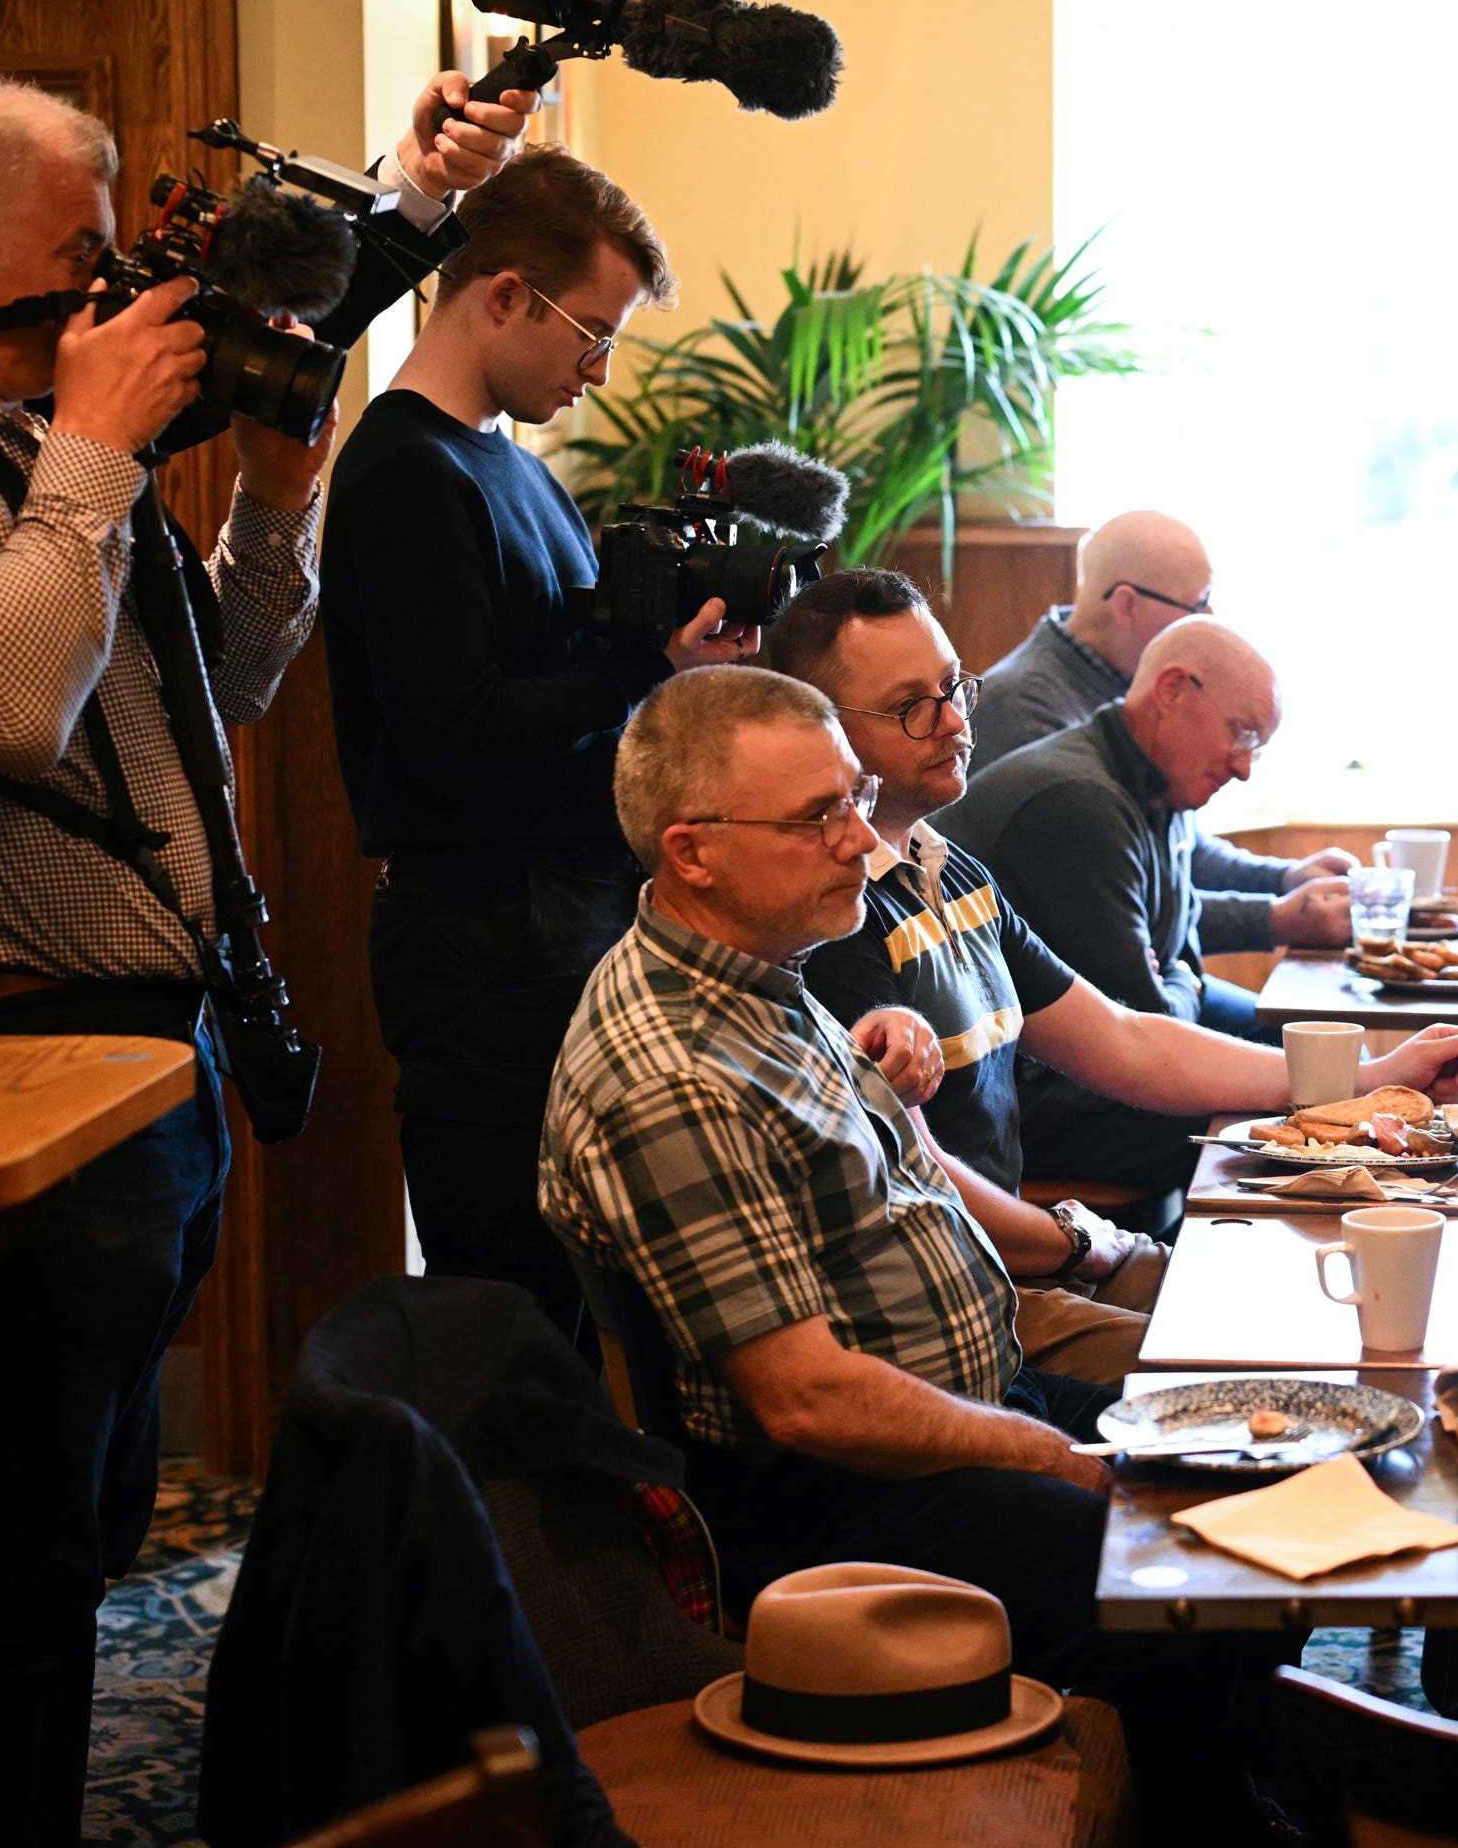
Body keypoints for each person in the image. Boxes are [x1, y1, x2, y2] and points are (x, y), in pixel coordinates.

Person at [0, 70, 534, 1844]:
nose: (108, 290)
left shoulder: (44, 457)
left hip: (160, 1063)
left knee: (89, 1526)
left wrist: (275, 493)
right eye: (79, 248)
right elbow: (7, 703)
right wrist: (94, 447)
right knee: (12, 1551)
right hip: (24, 1054)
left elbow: (218, 682)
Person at [539, 666, 1293, 1844]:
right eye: (818, 817)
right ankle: (1205, 1804)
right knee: (1200, 1556)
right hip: (841, 1505)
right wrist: (1052, 1452)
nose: (860, 838)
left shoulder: (757, 972)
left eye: (853, 798)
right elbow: (808, 1400)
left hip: (965, 1406)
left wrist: (879, 1068)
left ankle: (1228, 1775)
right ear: (692, 851)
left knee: (1267, 1462)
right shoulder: (673, 1074)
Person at [764, 571, 1458, 1351]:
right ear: (824, 731)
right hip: (944, 1301)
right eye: (914, 707)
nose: (952, 722)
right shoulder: (831, 916)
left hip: (1012, 1265)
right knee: (1274, 1352)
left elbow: (1124, 1035)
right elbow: (920, 1180)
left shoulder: (955, 871)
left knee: (1312, 1317)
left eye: (954, 687)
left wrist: (1371, 1078)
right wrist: (1081, 1241)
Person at [321, 145, 757, 1357]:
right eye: (590, 331)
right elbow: (453, 734)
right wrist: (639, 668)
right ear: (503, 293)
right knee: (508, 1323)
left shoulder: (514, 466)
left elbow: (562, 689)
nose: (599, 369)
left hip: (559, 922)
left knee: (578, 1313)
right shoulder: (404, 470)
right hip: (480, 943)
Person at [939, 619, 1328, 1220]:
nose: (1245, 767)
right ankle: (1189, 1284)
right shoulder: (1078, 799)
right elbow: (1144, 1023)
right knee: (1266, 1121)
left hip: (1096, 1063)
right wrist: (1180, 978)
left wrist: (1174, 974)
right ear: (1173, 689)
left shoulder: (1161, 783)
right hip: (1019, 1102)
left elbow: (1177, 951)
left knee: (1303, 1048)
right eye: (1242, 733)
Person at [968, 508, 1355, 961]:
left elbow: (1173, 849)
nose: (1210, 617)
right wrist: (1274, 919)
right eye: (1197, 604)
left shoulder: (1131, 692)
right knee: (1289, 1033)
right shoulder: (1028, 710)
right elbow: (1112, 901)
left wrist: (1283, 879)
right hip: (1049, 1004)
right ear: (1127, 605)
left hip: (1144, 980)